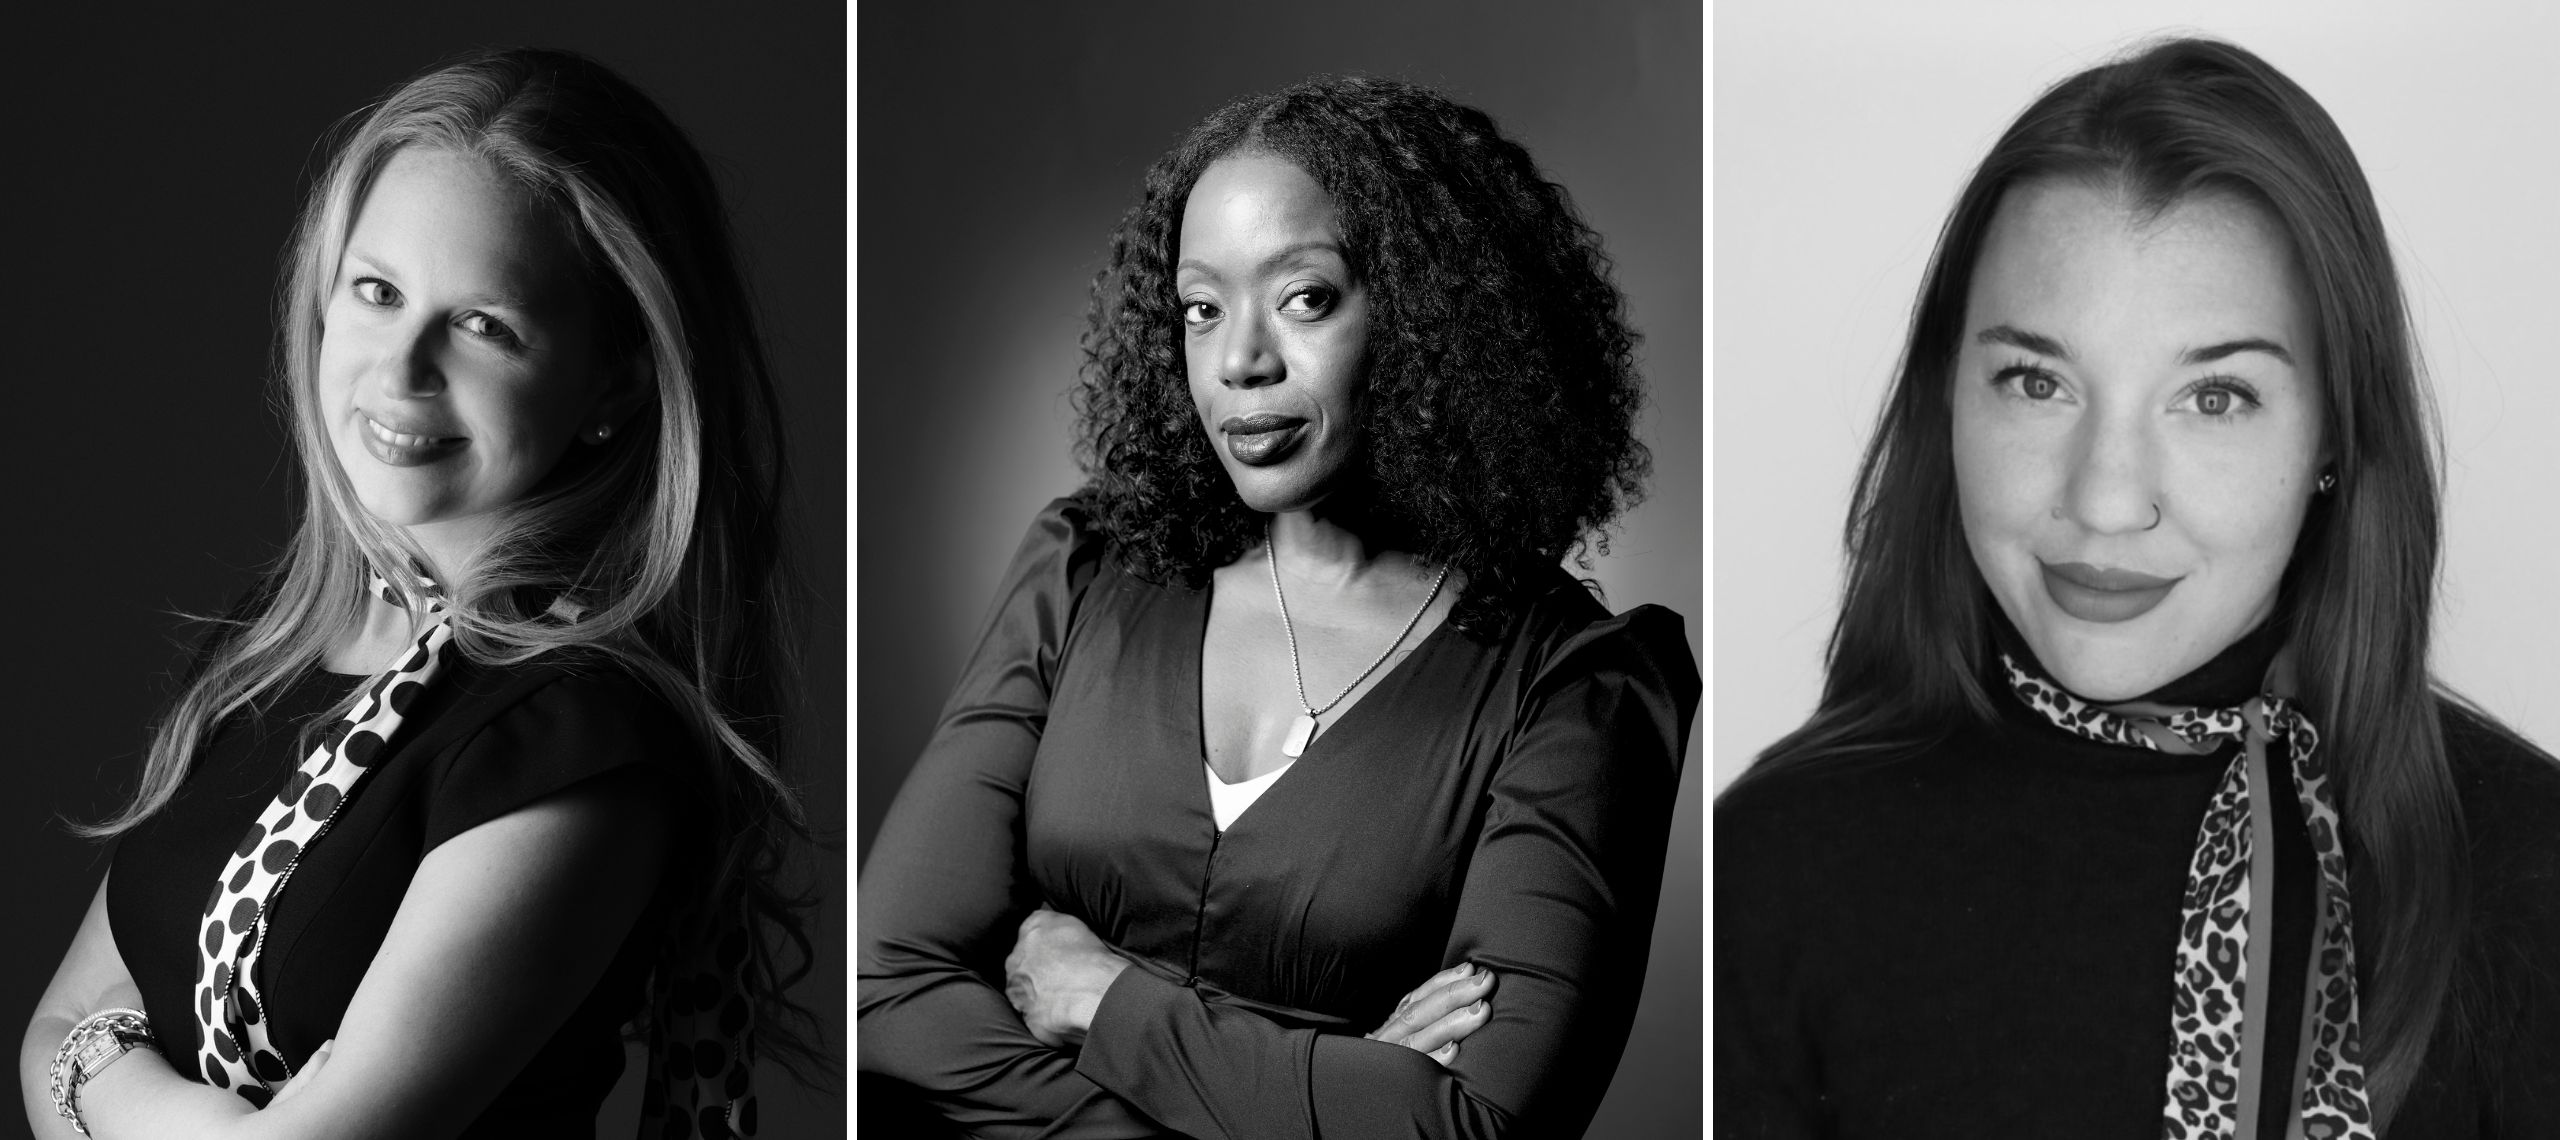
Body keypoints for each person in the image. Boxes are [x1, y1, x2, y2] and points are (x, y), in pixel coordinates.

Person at [1715, 37, 2560, 1139]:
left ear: (2334, 436)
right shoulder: (1770, 869)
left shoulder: (2532, 866)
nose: (2107, 501)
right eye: (2036, 381)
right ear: (1946, 398)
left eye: (2214, 398)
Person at [858, 75, 1700, 1138]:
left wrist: (1104, 1002)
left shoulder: (1576, 686)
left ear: (1432, 314)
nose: (1240, 363)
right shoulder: (1085, 570)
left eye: (1304, 298)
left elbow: (1479, 1123)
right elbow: (881, 991)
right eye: (1202, 310)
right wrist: (1332, 1092)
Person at [18, 48, 819, 1139]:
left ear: (617, 379)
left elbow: (87, 1054)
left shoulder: (577, 741)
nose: (401, 371)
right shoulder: (285, 638)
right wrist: (199, 1121)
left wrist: (104, 1080)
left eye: (485, 325)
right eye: (378, 292)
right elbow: (53, 1024)